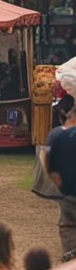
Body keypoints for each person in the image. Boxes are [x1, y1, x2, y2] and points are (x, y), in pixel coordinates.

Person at [43, 101, 76, 256]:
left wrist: (51, 174)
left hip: (67, 187)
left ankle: (70, 255)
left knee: (67, 224)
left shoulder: (56, 134)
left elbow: (46, 156)